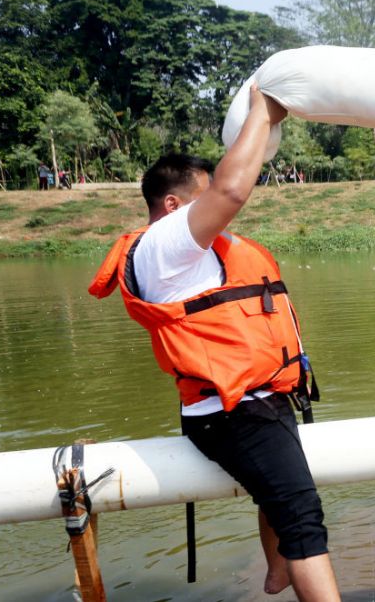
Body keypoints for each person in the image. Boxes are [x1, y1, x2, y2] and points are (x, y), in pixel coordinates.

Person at [87, 87, 341, 600]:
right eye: (202, 198)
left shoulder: (187, 252)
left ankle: (276, 571)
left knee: (283, 502)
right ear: (174, 205)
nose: (217, 211)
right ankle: (296, 574)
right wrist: (263, 112)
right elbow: (231, 191)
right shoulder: (163, 244)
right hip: (232, 414)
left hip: (257, 401)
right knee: (303, 519)